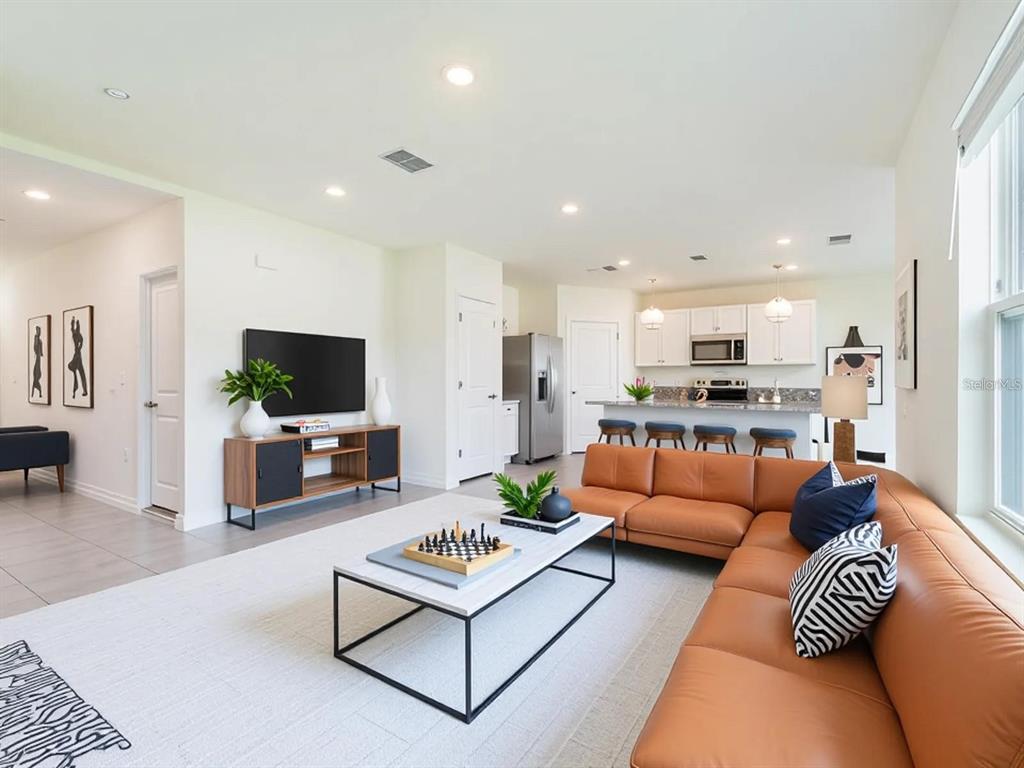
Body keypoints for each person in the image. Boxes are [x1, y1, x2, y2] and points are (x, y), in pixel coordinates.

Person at [67, 316, 88, 399]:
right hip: (77, 355)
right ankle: (84, 390)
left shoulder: (76, 335)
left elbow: (72, 328)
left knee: (81, 373)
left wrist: (73, 321)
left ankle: (83, 390)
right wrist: (73, 321)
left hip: (77, 355)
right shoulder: (77, 335)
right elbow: (72, 328)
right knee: (81, 373)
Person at [31, 325, 43, 399]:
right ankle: (36, 384)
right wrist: (38, 352)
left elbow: (39, 348)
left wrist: (41, 353)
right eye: (38, 331)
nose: (39, 332)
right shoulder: (36, 337)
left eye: (40, 331)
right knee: (37, 370)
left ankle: (36, 386)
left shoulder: (39, 339)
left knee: (37, 370)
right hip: (37, 356)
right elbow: (35, 347)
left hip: (38, 356)